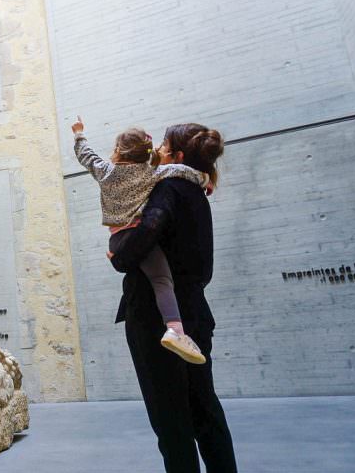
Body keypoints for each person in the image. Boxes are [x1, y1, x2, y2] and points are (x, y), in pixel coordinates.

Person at [109, 123, 238, 473]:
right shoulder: (197, 192)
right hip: (194, 311)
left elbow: (149, 228)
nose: (158, 150)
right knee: (204, 409)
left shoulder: (167, 187)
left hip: (156, 320)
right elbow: (203, 268)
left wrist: (120, 255)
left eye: (164, 145)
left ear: (177, 156)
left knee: (171, 420)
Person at [72, 117, 209, 364]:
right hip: (139, 236)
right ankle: (175, 330)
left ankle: (173, 330)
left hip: (117, 238)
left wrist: (80, 134)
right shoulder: (152, 174)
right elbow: (180, 170)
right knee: (161, 280)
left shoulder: (105, 171)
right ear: (146, 153)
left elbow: (86, 155)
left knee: (154, 279)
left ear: (117, 151)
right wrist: (204, 180)